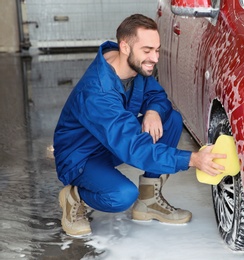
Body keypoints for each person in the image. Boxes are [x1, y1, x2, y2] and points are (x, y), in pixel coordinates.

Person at [53, 14, 226, 237]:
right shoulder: (98, 92)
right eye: (147, 50)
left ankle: (149, 200)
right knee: (122, 195)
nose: (154, 58)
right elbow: (134, 148)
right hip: (81, 157)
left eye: (157, 50)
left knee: (170, 119)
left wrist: (153, 111)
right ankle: (74, 197)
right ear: (125, 46)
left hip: (110, 142)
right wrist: (192, 159)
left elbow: (158, 96)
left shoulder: (135, 67)